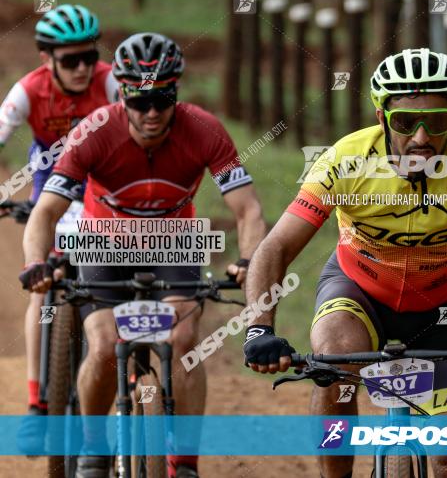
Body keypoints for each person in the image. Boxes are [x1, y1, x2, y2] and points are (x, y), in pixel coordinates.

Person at [242, 48, 447, 478]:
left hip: (444, 310)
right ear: (381, 117)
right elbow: (276, 246)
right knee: (336, 360)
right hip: (358, 295)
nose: (421, 138)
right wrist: (260, 327)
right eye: (405, 122)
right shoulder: (345, 159)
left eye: (436, 122)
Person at [19, 33, 266, 478]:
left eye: (162, 99)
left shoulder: (204, 130)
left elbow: (247, 209)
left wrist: (248, 260)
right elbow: (46, 213)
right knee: (102, 344)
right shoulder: (94, 132)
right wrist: (36, 262)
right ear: (122, 93)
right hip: (102, 241)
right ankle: (94, 447)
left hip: (173, 240)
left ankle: (185, 462)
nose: (151, 113)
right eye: (139, 101)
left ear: (176, 91)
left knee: (184, 341)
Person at [1, 4, 118, 450]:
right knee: (41, 287)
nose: (82, 68)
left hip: (104, 186)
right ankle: (36, 402)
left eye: (89, 56)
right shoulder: (28, 91)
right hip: (51, 186)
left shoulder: (110, 81)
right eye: (70, 60)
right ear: (46, 58)